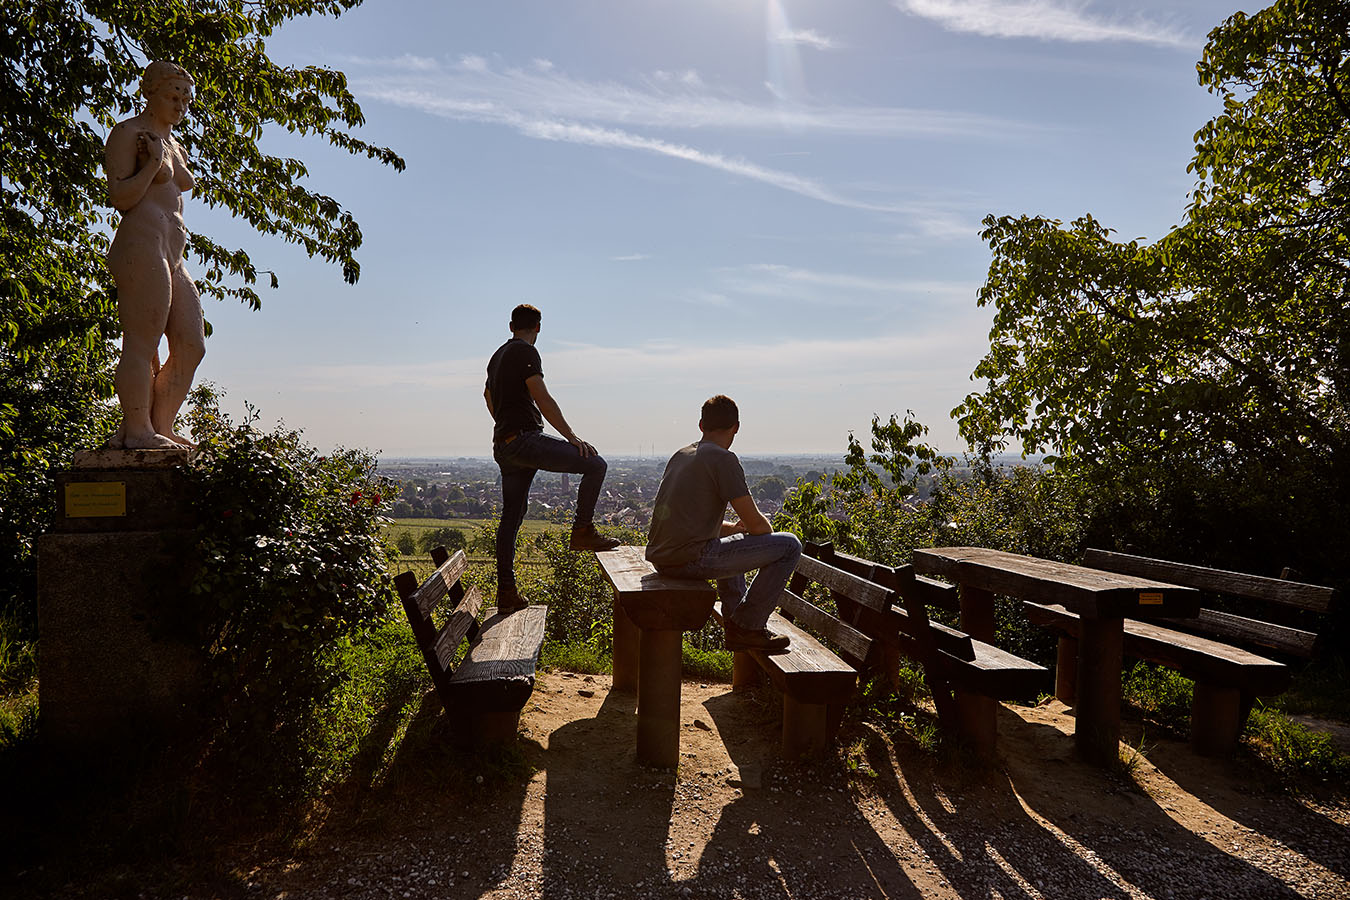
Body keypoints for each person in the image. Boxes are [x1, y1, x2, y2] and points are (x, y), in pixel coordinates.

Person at [485, 304, 621, 612]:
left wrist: (503, 423)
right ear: (538, 328)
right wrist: (572, 437)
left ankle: (506, 591)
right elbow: (541, 396)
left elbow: (487, 396)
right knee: (596, 465)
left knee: (511, 518)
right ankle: (583, 530)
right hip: (524, 441)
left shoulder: (497, 356)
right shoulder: (526, 352)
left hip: (504, 446)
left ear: (510, 326)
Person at [646, 395, 802, 653]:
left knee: (733, 542)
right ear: (736, 427)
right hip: (690, 559)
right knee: (790, 546)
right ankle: (748, 626)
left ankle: (735, 620)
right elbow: (759, 527)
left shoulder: (681, 455)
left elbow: (689, 520)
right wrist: (753, 530)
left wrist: (735, 530)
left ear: (701, 425)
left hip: (664, 558)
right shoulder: (723, 459)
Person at [104, 60, 206, 449]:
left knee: (192, 345)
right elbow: (122, 198)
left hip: (172, 250)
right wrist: (151, 168)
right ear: (151, 93)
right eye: (172, 95)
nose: (181, 105)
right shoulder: (128, 133)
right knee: (142, 343)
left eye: (185, 99)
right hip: (141, 244)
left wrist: (166, 158)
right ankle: (137, 432)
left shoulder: (170, 142)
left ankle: (160, 424)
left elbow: (186, 182)